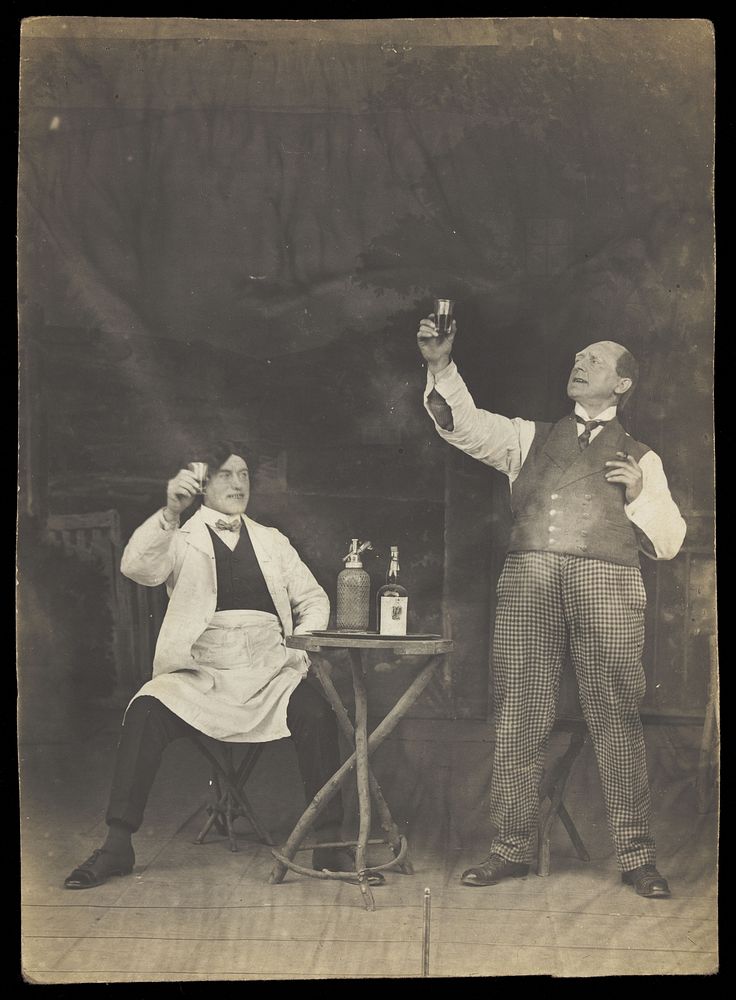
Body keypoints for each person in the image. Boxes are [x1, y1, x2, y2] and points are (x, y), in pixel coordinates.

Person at [417, 318, 686, 899]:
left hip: (609, 587)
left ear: (622, 384)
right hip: (528, 585)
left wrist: (639, 495)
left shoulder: (645, 459)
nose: (579, 361)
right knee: (519, 711)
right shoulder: (526, 438)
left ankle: (636, 854)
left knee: (615, 715)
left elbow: (668, 544)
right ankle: (511, 848)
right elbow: (462, 425)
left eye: (594, 359)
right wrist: (440, 365)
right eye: (577, 354)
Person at [65, 443, 383, 889]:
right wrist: (169, 512)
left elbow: (312, 597)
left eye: (245, 475)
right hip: (204, 672)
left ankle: (330, 840)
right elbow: (137, 567)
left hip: (272, 668)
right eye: (226, 475)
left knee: (316, 711)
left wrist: (301, 649)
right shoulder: (179, 536)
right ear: (202, 483)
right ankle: (117, 845)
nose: (238, 484)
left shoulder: (272, 540)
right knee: (145, 711)